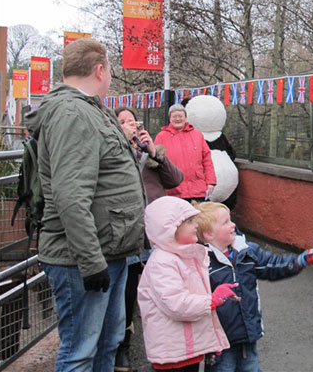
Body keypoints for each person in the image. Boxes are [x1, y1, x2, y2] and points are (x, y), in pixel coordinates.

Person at [25, 38, 145, 372]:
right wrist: (91, 263)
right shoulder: (73, 113)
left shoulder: (91, 109)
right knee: (80, 353)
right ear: (100, 69)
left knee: (106, 346)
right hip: (84, 259)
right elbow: (71, 195)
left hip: (110, 253)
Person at [193, 201, 313, 372]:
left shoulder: (247, 252)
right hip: (219, 341)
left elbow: (272, 265)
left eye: (231, 219)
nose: (233, 224)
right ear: (208, 234)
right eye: (226, 222)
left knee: (251, 368)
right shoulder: (200, 263)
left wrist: (300, 260)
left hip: (248, 333)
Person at [113, 106, 184, 372]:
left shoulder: (151, 156)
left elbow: (177, 179)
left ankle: (169, 347)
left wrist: (153, 152)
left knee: (163, 290)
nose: (131, 125)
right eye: (123, 122)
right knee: (127, 293)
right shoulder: (114, 154)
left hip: (155, 232)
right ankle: (123, 348)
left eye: (133, 121)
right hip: (128, 232)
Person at [137, 196, 235, 371]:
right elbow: (176, 304)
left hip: (186, 348)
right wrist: (211, 301)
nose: (196, 225)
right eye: (189, 221)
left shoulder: (187, 256)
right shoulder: (163, 263)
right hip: (173, 353)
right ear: (170, 229)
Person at [154, 103, 217, 203]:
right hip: (173, 191)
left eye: (180, 116)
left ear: (186, 117)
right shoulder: (161, 137)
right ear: (169, 119)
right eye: (174, 116)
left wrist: (211, 182)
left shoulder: (197, 135)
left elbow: (207, 160)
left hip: (197, 190)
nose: (177, 119)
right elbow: (155, 163)